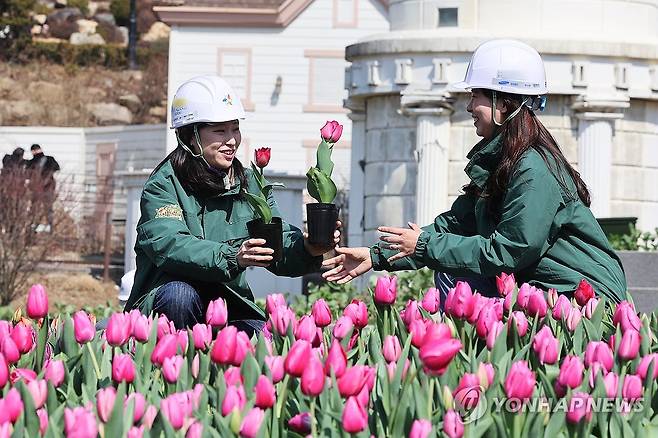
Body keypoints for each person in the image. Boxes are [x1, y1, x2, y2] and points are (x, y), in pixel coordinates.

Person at [322, 39, 627, 304]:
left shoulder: (533, 168)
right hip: (545, 292)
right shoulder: (504, 163)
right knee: (450, 268)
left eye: (475, 95)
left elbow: (511, 250)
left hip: (584, 300)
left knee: (454, 273)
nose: (468, 107)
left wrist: (426, 246)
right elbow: (454, 227)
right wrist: (375, 256)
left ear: (503, 102)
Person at [124, 75, 340, 333]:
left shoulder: (251, 184)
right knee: (180, 296)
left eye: (235, 128)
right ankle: (174, 368)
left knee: (263, 340)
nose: (231, 140)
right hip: (167, 298)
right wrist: (232, 257)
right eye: (219, 130)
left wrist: (308, 248)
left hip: (228, 300)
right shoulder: (164, 184)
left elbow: (276, 244)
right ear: (190, 136)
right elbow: (169, 244)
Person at [26, 144, 60, 231]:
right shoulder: (49, 159)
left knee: (37, 207)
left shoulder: (33, 162)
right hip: (46, 188)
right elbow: (57, 168)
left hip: (40, 188)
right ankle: (47, 226)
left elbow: (27, 175)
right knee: (47, 208)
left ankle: (35, 225)